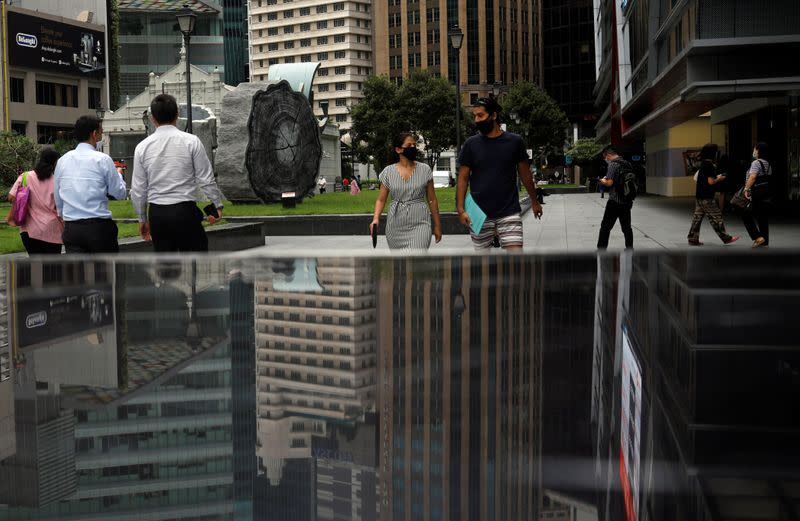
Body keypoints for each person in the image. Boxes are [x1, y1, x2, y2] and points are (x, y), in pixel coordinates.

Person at [131, 94, 225, 252]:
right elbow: (206, 178)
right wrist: (217, 204)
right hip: (185, 211)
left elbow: (138, 189)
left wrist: (142, 218)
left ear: (153, 118)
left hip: (157, 214)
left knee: (166, 271)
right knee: (198, 262)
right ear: (177, 114)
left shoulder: (142, 147)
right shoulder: (191, 141)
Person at [456, 97, 543, 251]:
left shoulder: (515, 141)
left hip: (509, 211)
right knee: (483, 267)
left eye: (480, 115)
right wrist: (461, 209)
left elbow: (525, 175)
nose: (476, 120)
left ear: (493, 115)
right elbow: (462, 178)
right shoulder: (470, 144)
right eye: (474, 116)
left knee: (516, 264)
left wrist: (535, 201)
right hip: (479, 213)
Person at [54, 115, 127, 253]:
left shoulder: (62, 161)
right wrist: (119, 174)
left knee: (77, 273)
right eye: (101, 132)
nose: (101, 136)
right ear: (94, 134)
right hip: (99, 227)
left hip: (72, 228)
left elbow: (58, 198)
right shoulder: (103, 159)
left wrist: (64, 217)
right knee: (104, 273)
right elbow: (119, 193)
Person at [370, 132, 442, 250]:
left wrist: (438, 225)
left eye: (414, 145)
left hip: (420, 222)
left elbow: (432, 200)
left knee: (417, 260)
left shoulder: (425, 170)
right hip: (395, 225)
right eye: (409, 146)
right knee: (401, 266)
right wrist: (376, 218)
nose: (413, 148)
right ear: (398, 149)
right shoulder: (388, 172)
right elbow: (381, 199)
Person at [6, 149, 63, 254]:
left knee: (36, 266)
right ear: (55, 163)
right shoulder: (57, 181)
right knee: (53, 267)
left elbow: (11, 197)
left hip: (29, 230)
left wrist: (25, 199)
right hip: (52, 230)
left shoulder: (25, 176)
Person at [687, 144, 739, 246]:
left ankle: (692, 238)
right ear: (713, 153)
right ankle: (726, 238)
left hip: (699, 196)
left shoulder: (703, 164)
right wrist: (720, 178)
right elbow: (711, 182)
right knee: (716, 217)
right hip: (707, 197)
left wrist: (716, 176)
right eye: (715, 152)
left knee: (697, 218)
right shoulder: (709, 165)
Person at [596, 145, 634, 249]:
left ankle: (601, 249)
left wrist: (603, 180)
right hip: (627, 200)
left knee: (605, 227)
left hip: (614, 201)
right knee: (627, 227)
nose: (606, 160)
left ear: (609, 155)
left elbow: (609, 183)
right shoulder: (628, 164)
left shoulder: (613, 164)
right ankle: (629, 248)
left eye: (606, 158)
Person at [741, 142, 772, 248]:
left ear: (759, 151)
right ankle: (764, 240)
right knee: (762, 216)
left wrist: (746, 189)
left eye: (755, 149)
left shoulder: (756, 163)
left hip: (755, 193)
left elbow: (753, 177)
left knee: (745, 213)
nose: (754, 151)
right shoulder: (767, 163)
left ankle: (757, 237)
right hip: (765, 193)